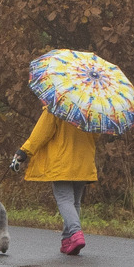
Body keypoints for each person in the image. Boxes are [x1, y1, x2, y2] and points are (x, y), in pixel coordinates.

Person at [19, 98, 97, 256]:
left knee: (64, 199)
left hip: (62, 161)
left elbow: (41, 133)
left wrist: (24, 151)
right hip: (83, 161)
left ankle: (75, 234)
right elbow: (95, 136)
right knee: (74, 201)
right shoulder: (91, 109)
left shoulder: (58, 105)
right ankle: (67, 240)